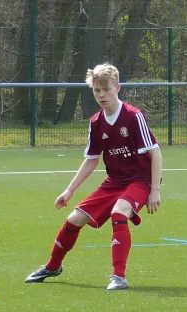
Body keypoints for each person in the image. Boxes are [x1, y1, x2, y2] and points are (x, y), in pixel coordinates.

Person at [25, 63, 162, 290]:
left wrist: (155, 189)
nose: (101, 94)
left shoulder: (133, 116)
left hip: (140, 179)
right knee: (73, 220)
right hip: (114, 182)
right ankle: (52, 266)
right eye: (97, 90)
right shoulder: (96, 122)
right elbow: (91, 160)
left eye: (106, 89)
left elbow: (155, 153)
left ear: (117, 88)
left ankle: (118, 277)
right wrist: (69, 190)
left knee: (119, 213)